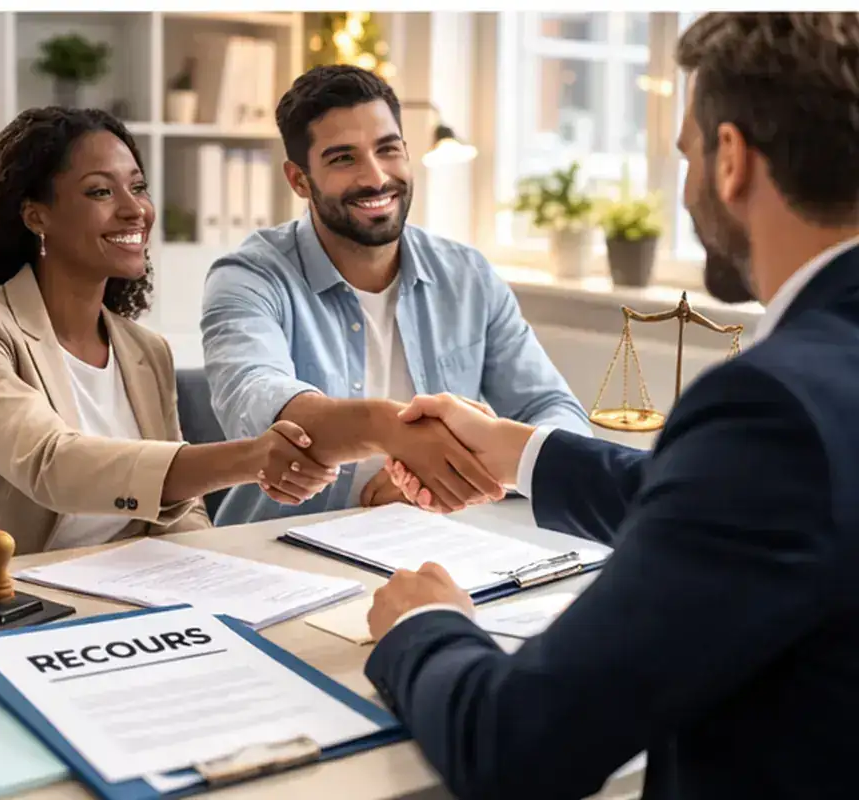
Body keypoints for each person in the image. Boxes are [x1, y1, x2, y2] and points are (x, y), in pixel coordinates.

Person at [365, 12, 859, 799]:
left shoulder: (773, 404)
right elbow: (761, 517)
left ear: (730, 157)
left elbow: (517, 743)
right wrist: (516, 450)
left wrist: (424, 625)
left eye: (686, 155)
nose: (688, 186)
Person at [0, 107, 337, 568]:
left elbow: (179, 510)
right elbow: (52, 465)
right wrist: (250, 458)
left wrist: (216, 574)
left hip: (111, 588)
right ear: (36, 216)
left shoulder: (145, 351)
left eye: (139, 187)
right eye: (101, 191)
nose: (135, 210)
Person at [200, 64, 587, 526]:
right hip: (278, 551)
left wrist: (443, 478)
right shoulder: (248, 277)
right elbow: (260, 405)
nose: (376, 177)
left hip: (436, 542)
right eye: (343, 158)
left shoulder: (467, 276)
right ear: (299, 180)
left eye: (388, 149)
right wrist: (392, 435)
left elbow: (558, 415)